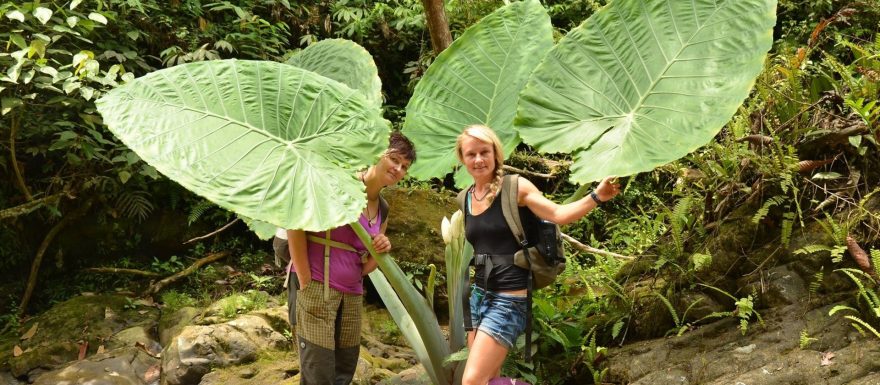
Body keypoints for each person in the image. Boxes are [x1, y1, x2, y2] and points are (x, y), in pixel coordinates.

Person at [455, 125, 620, 385]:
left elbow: (558, 214)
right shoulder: (464, 198)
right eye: (471, 154)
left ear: (496, 153)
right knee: (488, 379)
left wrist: (596, 196)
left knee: (471, 382)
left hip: (508, 300)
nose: (478, 159)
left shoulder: (515, 187)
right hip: (478, 296)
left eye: (484, 152)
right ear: (462, 158)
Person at [285, 131, 416, 385]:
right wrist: (304, 278)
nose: (398, 169)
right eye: (395, 159)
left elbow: (366, 265)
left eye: (405, 167)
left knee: (343, 370)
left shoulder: (383, 208)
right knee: (318, 372)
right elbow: (295, 223)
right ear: (378, 153)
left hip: (351, 295)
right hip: (316, 289)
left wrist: (381, 249)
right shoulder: (339, 184)